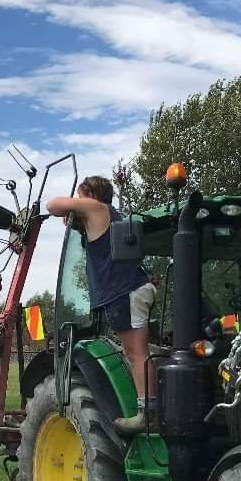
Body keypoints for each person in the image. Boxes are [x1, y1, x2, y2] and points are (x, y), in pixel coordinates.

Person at [46, 176, 156, 434]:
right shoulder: (111, 215)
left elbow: (52, 205)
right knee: (136, 351)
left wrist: (74, 206)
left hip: (123, 291)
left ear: (88, 194)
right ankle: (149, 408)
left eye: (79, 195)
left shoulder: (96, 208)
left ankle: (148, 413)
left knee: (137, 352)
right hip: (129, 289)